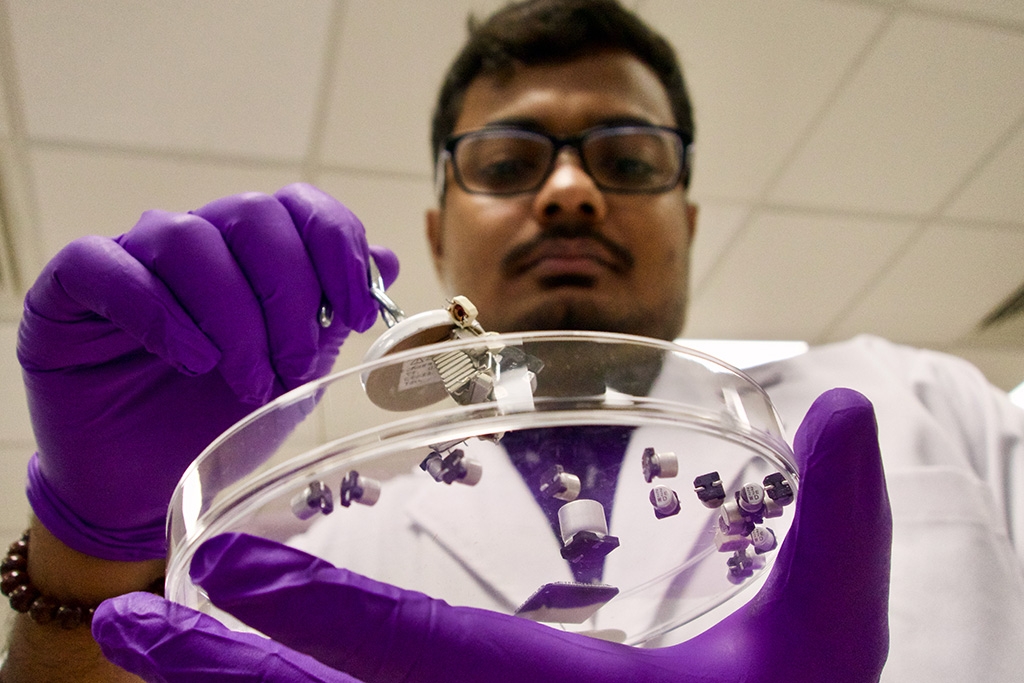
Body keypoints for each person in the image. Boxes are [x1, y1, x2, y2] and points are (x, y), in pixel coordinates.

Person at [0, 0, 1020, 681]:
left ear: (688, 217)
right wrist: (92, 551)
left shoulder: (935, 405)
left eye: (628, 159)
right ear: (437, 230)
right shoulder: (304, 534)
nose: (570, 189)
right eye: (506, 162)